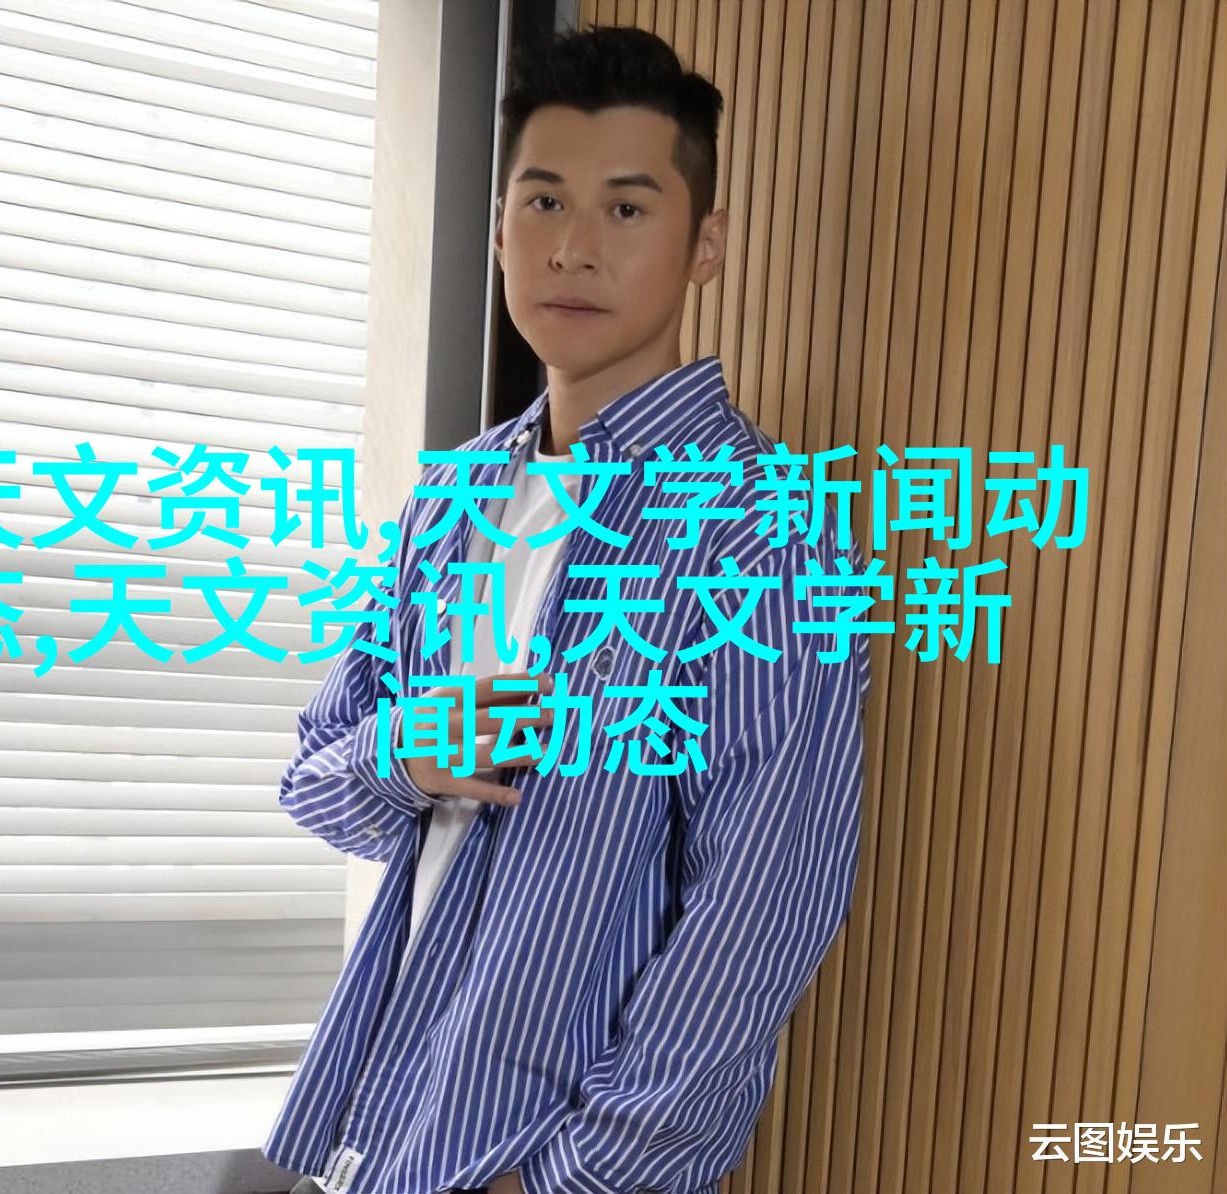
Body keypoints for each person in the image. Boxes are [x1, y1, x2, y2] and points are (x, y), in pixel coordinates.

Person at [265, 23, 871, 1194]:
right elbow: (316, 782)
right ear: (499, 231)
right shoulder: (454, 499)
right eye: (543, 203)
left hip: (534, 1165)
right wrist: (410, 753)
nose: (574, 248)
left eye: (627, 209)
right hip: (372, 1136)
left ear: (705, 246)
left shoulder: (767, 526)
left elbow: (766, 905)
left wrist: (581, 1176)